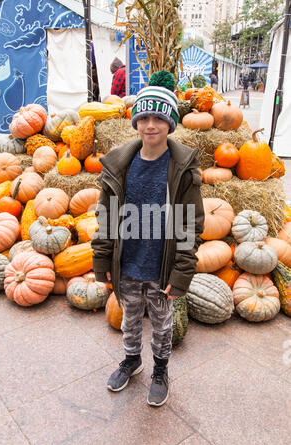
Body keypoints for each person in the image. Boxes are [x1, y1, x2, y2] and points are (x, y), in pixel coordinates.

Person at [91, 70, 205, 407]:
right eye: (144, 118)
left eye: (158, 118)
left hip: (161, 266)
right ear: (136, 122)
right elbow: (106, 215)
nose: (150, 125)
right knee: (128, 317)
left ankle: (160, 368)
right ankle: (131, 360)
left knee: (161, 322)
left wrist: (182, 271)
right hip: (128, 263)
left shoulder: (181, 168)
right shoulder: (121, 166)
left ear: (170, 123)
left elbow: (189, 224)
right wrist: (102, 258)